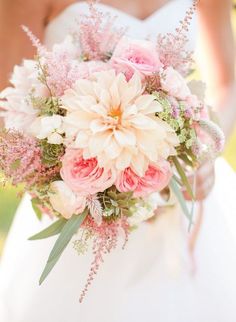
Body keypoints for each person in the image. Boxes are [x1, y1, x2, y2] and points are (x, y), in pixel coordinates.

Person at [0, 1, 235, 321]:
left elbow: (227, 83)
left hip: (185, 209)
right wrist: (83, 179)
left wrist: (206, 150)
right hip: (79, 223)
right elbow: (7, 112)